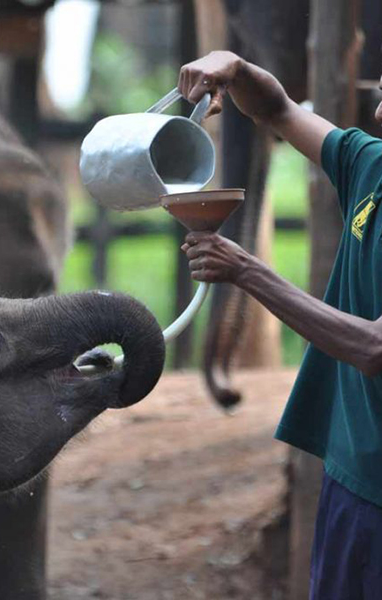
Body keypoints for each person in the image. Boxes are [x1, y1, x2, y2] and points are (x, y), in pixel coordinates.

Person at [179, 51, 382, 599]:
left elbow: (375, 347)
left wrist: (245, 270)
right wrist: (236, 69)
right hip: (351, 477)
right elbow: (279, 111)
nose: (380, 110)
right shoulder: (371, 165)